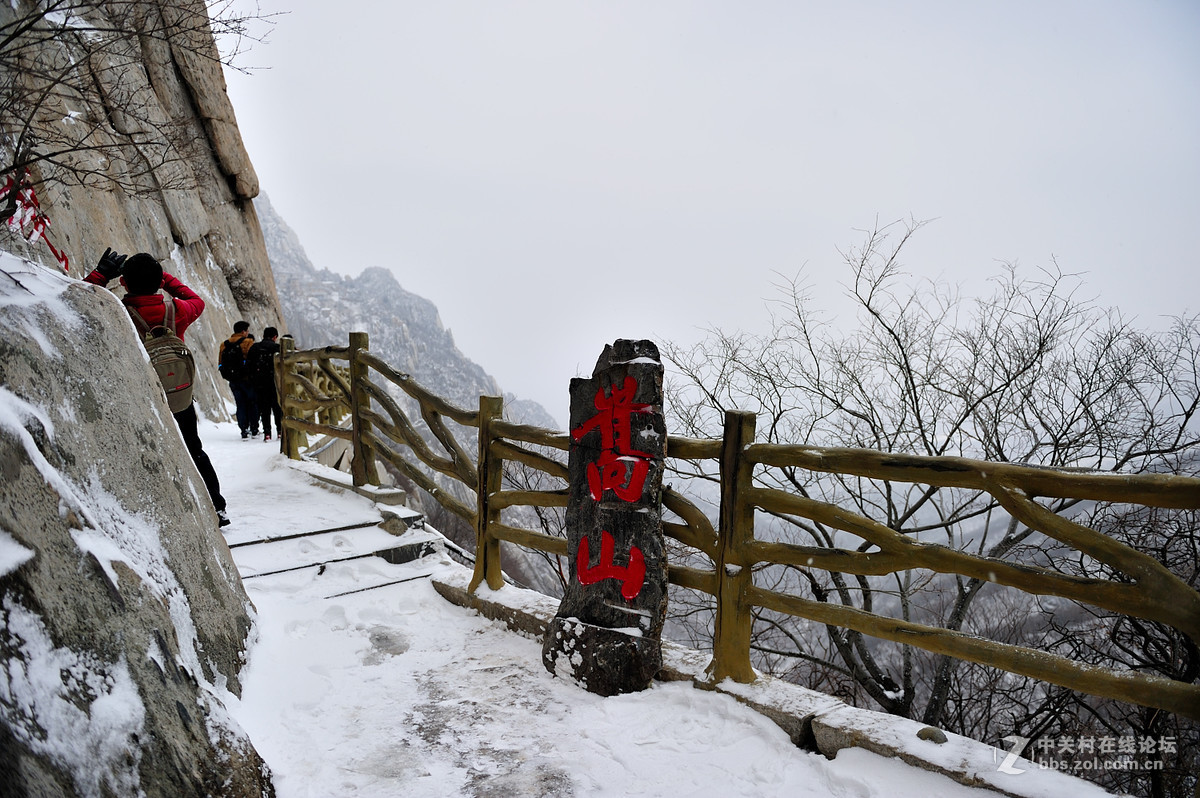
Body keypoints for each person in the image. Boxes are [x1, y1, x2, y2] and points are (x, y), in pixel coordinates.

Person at [85, 248, 230, 527]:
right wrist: (165, 279)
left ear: (123, 282)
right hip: (178, 395)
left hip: (140, 397)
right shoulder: (177, 311)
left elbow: (78, 303)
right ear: (159, 280)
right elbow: (197, 301)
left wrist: (100, 275)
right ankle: (217, 506)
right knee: (193, 449)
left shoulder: (117, 312)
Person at [218, 320, 257, 439]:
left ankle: (243, 429)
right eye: (247, 330)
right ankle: (254, 428)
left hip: (233, 379)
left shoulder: (224, 344)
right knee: (252, 402)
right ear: (243, 331)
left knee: (240, 404)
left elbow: (220, 362)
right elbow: (254, 360)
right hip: (247, 378)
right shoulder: (248, 342)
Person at [246, 326, 282, 442]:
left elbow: (249, 365)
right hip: (275, 382)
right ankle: (280, 431)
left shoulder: (255, 347)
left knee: (264, 408)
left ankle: (267, 433)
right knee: (277, 407)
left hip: (260, 383)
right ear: (275, 337)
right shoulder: (277, 348)